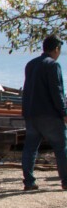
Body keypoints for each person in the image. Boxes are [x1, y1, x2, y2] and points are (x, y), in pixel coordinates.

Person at [20, 34, 67, 191]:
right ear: (56, 49)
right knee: (61, 148)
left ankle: (29, 182)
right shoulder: (53, 66)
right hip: (49, 115)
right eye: (59, 50)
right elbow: (57, 92)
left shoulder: (31, 64)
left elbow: (27, 90)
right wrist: (64, 112)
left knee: (30, 149)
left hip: (31, 114)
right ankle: (65, 181)